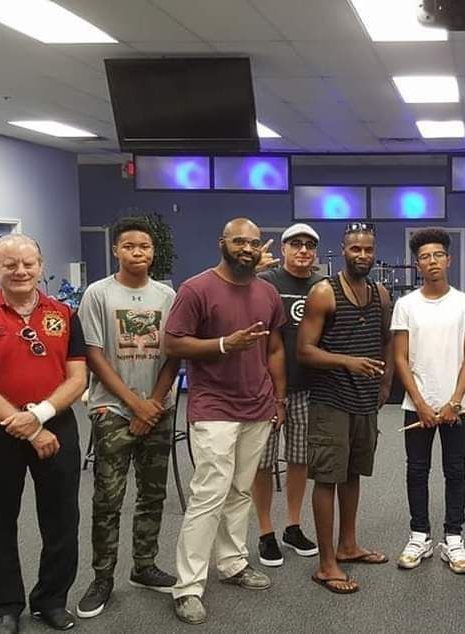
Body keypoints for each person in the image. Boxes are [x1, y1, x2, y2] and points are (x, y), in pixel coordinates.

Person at [0, 234, 87, 634]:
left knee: (62, 518)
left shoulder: (64, 314)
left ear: (41, 265)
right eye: (9, 264)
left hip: (57, 425)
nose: (20, 271)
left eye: (28, 263)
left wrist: (42, 415)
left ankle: (51, 600)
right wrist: (30, 429)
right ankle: (5, 607)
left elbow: (77, 378)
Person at [164, 218, 287, 625]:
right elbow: (172, 342)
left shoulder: (268, 292)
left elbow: (273, 349)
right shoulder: (196, 289)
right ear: (223, 243)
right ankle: (188, 586)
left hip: (257, 405)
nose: (247, 248)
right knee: (208, 494)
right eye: (239, 241)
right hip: (213, 405)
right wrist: (222, 344)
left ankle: (233, 563)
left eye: (253, 242)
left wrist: (277, 397)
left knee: (240, 491)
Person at [74, 217, 181, 619]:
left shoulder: (167, 295)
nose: (139, 253)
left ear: (153, 252)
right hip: (112, 410)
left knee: (153, 495)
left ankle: (144, 565)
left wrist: (153, 402)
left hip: (158, 408)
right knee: (109, 498)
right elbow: (94, 355)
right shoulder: (98, 294)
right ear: (116, 251)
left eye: (145, 247)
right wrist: (134, 405)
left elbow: (174, 353)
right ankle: (102, 576)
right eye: (130, 246)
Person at [298, 222, 393, 594]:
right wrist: (348, 362)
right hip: (330, 400)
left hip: (364, 400)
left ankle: (348, 545)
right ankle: (326, 565)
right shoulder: (324, 292)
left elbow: (385, 339)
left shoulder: (380, 293)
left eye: (368, 249)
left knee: (353, 473)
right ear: (343, 250)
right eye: (356, 249)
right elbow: (304, 350)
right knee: (327, 477)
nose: (363, 256)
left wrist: (385, 383)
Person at [392, 228, 465, 574]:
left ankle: (454, 538)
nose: (432, 262)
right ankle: (419, 535)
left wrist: (454, 402)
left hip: (457, 407)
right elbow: (400, 357)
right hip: (418, 406)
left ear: (449, 260)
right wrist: (421, 403)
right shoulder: (406, 305)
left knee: (455, 470)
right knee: (416, 471)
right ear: (417, 264)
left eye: (438, 255)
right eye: (425, 257)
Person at [252, 223, 324, 565]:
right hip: (265, 389)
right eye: (296, 244)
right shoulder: (264, 281)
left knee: (299, 459)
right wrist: (250, 268)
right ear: (283, 249)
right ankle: (266, 531)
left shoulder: (321, 286)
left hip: (308, 388)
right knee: (263, 462)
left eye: (309, 245)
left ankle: (292, 526)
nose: (303, 251)